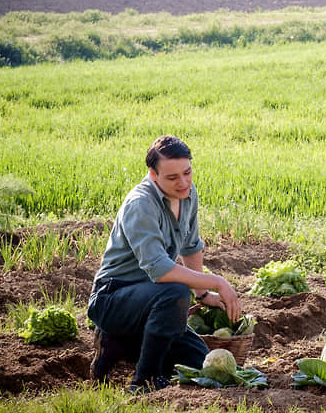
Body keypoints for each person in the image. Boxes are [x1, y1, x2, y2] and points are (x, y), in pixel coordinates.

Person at [88, 135, 241, 393]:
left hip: (153, 300)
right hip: (113, 298)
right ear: (153, 174)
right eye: (172, 177)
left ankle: (116, 344)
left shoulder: (187, 195)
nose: (183, 183)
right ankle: (144, 380)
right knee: (175, 292)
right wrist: (218, 281)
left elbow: (191, 246)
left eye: (187, 173)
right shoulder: (141, 205)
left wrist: (202, 294)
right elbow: (160, 270)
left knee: (197, 358)